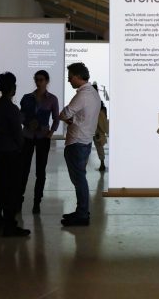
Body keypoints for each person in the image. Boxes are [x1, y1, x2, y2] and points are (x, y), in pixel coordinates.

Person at [0, 72, 30, 237]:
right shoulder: (11, 109)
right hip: (10, 153)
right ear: (13, 88)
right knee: (11, 189)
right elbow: (17, 135)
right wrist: (22, 147)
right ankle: (10, 225)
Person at [59, 62, 102, 226]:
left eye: (70, 77)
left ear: (77, 76)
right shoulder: (93, 94)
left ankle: (82, 214)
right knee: (80, 179)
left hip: (76, 141)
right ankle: (81, 211)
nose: (69, 80)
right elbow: (81, 117)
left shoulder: (82, 95)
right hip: (84, 141)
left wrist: (68, 118)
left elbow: (64, 113)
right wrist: (73, 119)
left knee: (79, 180)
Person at [19, 70, 60, 214]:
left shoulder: (52, 99)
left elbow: (56, 117)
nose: (38, 82)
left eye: (41, 79)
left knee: (40, 171)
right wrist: (27, 123)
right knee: (23, 169)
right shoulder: (26, 98)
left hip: (43, 138)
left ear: (47, 81)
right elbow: (21, 115)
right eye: (36, 79)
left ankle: (37, 201)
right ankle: (19, 198)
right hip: (28, 136)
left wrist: (51, 133)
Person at [91, 86, 108, 172]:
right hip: (95, 128)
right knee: (99, 146)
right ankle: (102, 163)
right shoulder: (99, 103)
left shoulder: (95, 102)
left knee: (98, 146)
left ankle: (102, 164)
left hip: (95, 128)